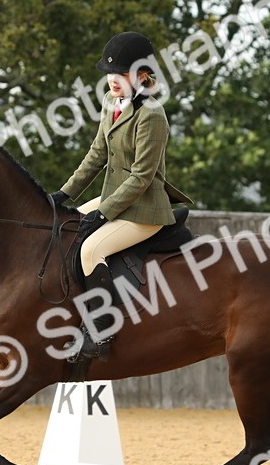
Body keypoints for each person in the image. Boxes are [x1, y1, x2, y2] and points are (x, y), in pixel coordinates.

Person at [47, 31, 189, 361]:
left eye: (121, 73)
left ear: (142, 76)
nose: (113, 79)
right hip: (116, 197)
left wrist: (105, 211)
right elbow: (96, 154)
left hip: (145, 209)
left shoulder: (152, 115)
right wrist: (64, 193)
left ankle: (102, 330)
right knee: (66, 230)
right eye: (110, 72)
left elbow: (141, 177)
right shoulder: (111, 103)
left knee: (90, 249)